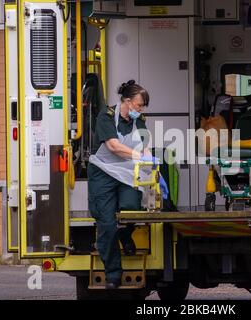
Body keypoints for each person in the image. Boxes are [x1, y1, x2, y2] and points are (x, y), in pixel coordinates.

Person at [87, 80, 168, 289]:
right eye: (139, 105)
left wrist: (152, 166)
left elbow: (145, 144)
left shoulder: (139, 120)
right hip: (103, 172)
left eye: (142, 107)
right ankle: (113, 274)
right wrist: (140, 156)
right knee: (106, 223)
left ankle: (125, 233)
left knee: (132, 208)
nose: (141, 109)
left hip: (127, 172)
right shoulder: (106, 116)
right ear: (127, 101)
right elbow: (113, 146)